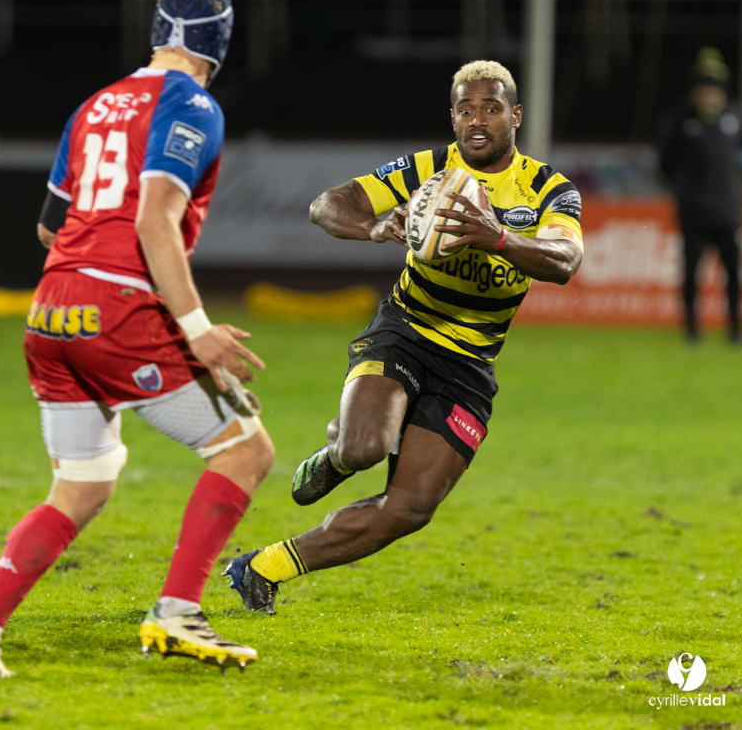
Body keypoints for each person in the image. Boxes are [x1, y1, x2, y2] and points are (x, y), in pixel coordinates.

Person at [0, 0, 275, 681]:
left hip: (51, 308)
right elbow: (154, 216)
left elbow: (47, 225)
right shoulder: (192, 102)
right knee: (246, 451)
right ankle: (177, 611)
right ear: (221, 40)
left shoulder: (94, 104)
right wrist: (196, 327)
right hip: (118, 310)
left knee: (81, 486)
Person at [224, 61, 584, 615]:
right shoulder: (429, 169)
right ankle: (338, 457)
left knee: (411, 509)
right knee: (365, 446)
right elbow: (326, 205)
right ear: (453, 117)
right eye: (466, 109)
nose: (477, 120)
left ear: (515, 115)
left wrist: (499, 239)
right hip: (404, 333)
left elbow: (565, 260)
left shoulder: (548, 189)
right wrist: (373, 226)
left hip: (469, 365)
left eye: (491, 108)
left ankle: (262, 566)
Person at [657, 47, 742, 344]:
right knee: (691, 272)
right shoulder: (681, 119)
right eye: (704, 90)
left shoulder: (736, 118)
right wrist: (683, 189)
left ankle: (735, 330)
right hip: (693, 211)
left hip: (727, 211)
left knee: (733, 274)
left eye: (714, 90)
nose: (709, 96)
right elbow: (665, 162)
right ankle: (692, 331)